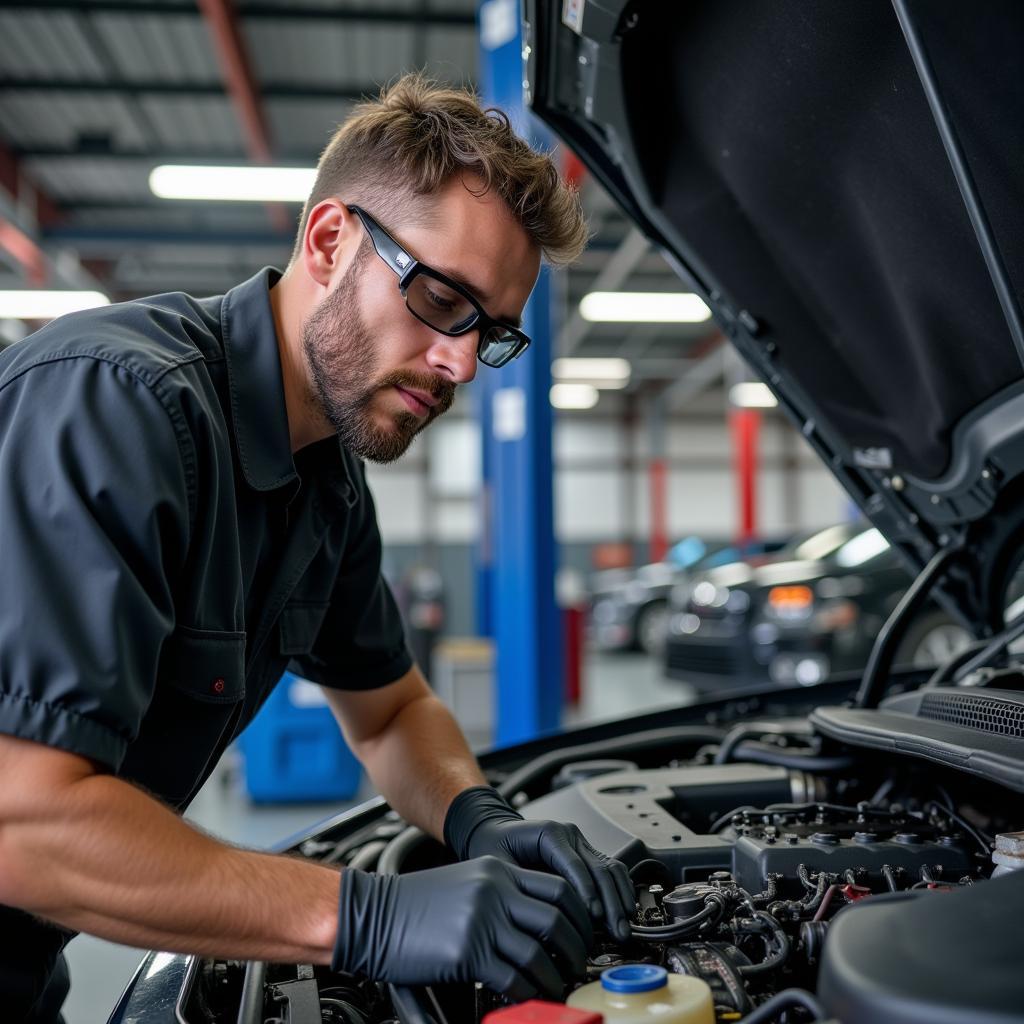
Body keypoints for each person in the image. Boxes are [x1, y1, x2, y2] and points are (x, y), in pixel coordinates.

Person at [0, 74, 635, 1021]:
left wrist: (478, 817)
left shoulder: (326, 483)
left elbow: (389, 712)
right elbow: (23, 822)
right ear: (331, 241)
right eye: (443, 299)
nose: (462, 363)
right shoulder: (115, 404)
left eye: (491, 335)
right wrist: (369, 916)